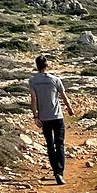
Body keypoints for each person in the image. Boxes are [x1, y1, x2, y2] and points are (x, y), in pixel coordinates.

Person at [28, 54, 74, 184]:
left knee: (50, 144)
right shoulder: (55, 79)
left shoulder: (33, 81)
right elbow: (64, 96)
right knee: (60, 144)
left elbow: (33, 99)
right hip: (57, 116)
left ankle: (56, 171)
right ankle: (59, 172)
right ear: (47, 65)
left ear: (37, 66)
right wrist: (69, 109)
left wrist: (35, 116)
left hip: (44, 118)